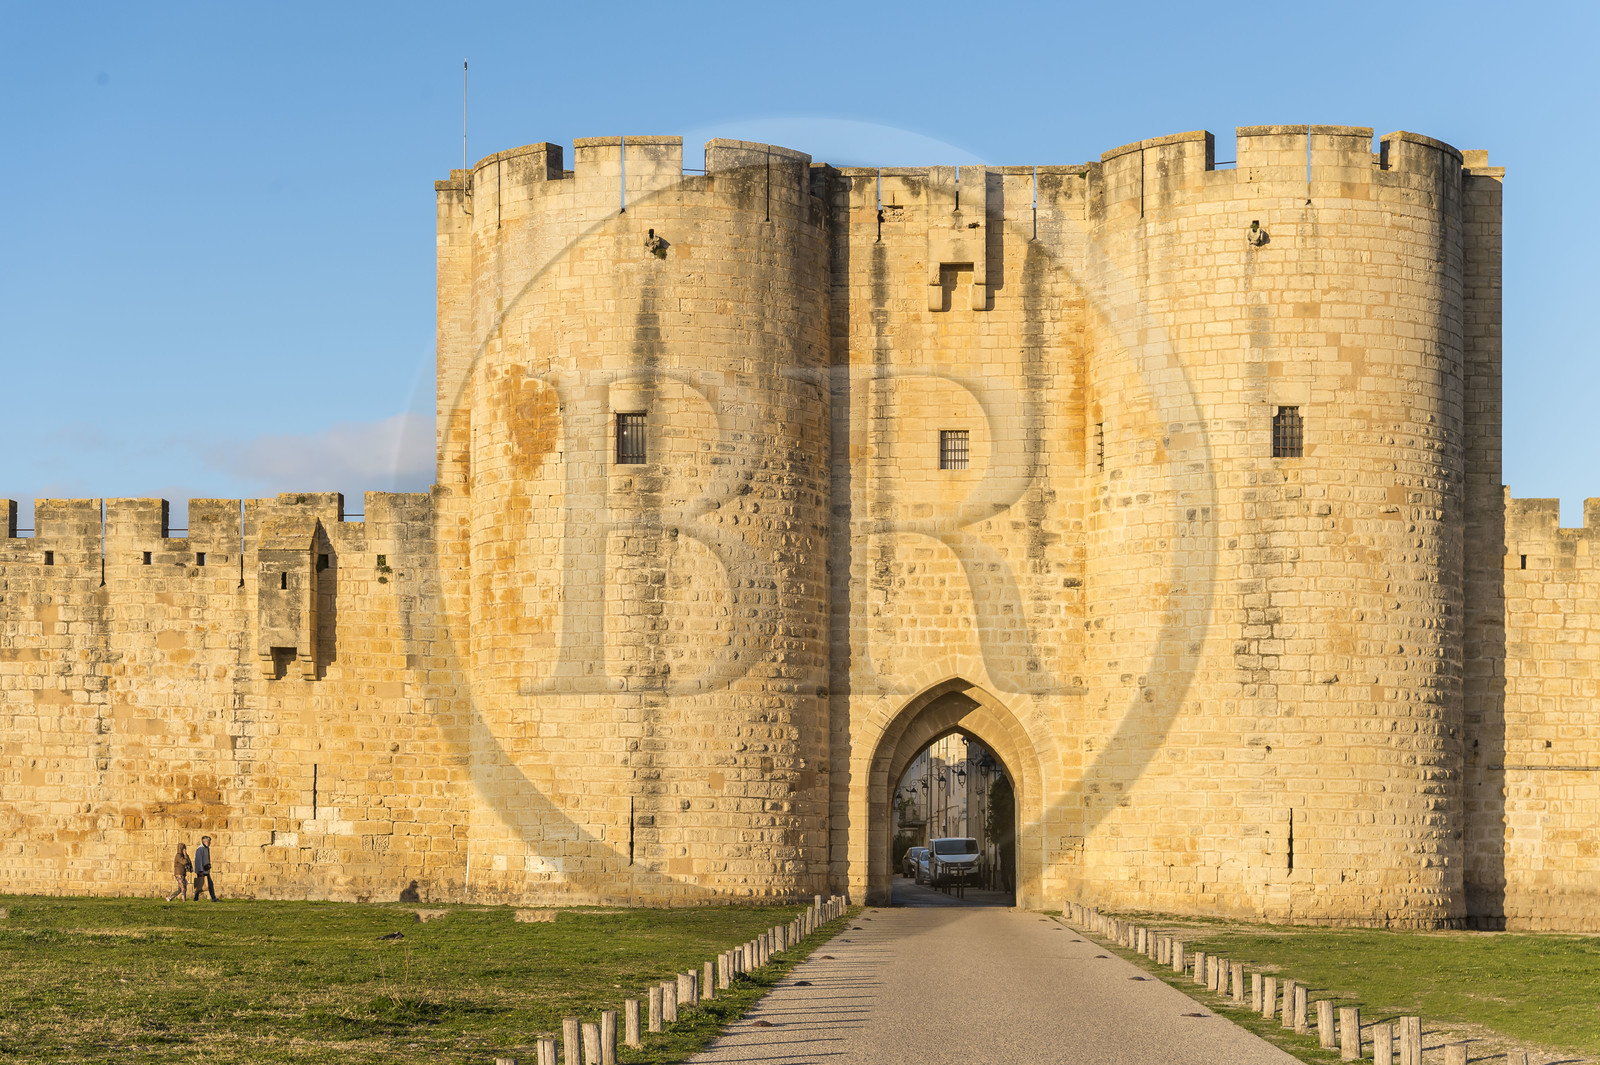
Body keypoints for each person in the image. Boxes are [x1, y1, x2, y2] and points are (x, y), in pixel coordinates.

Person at [192, 835, 217, 900]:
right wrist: (200, 871)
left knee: (209, 884)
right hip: (202, 870)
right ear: (205, 842)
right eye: (209, 842)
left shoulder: (206, 848)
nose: (210, 843)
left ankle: (213, 898)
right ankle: (196, 897)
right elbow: (199, 860)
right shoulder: (200, 849)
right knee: (200, 884)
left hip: (206, 870)